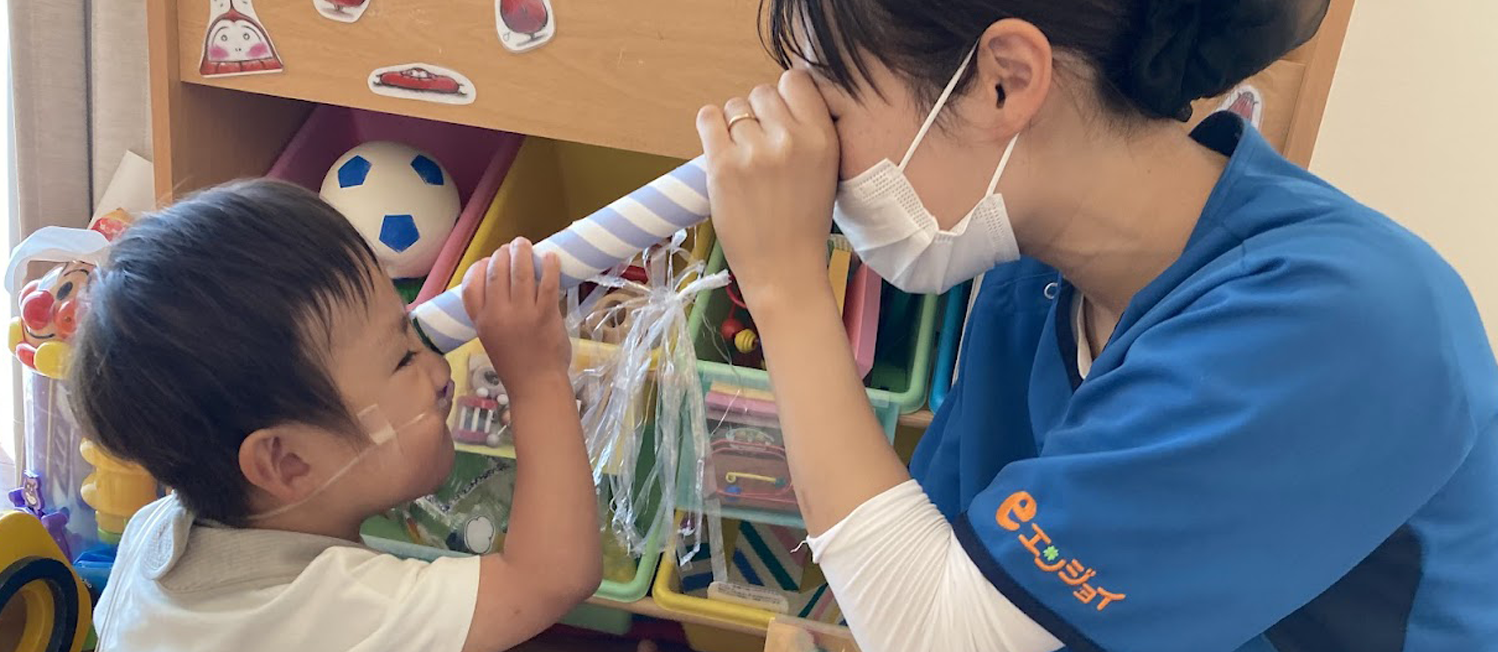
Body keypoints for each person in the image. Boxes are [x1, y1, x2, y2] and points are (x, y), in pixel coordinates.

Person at [695, 1, 1498, 651]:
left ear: (1004, 81)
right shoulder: (1031, 290)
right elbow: (942, 564)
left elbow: (941, 634)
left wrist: (784, 286)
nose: (810, 149)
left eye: (829, 103)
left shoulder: (1339, 320)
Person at [70, 180, 601, 652]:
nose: (439, 369)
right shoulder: (329, 609)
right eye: (402, 358)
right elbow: (549, 577)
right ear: (286, 461)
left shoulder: (151, 533)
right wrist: (536, 379)